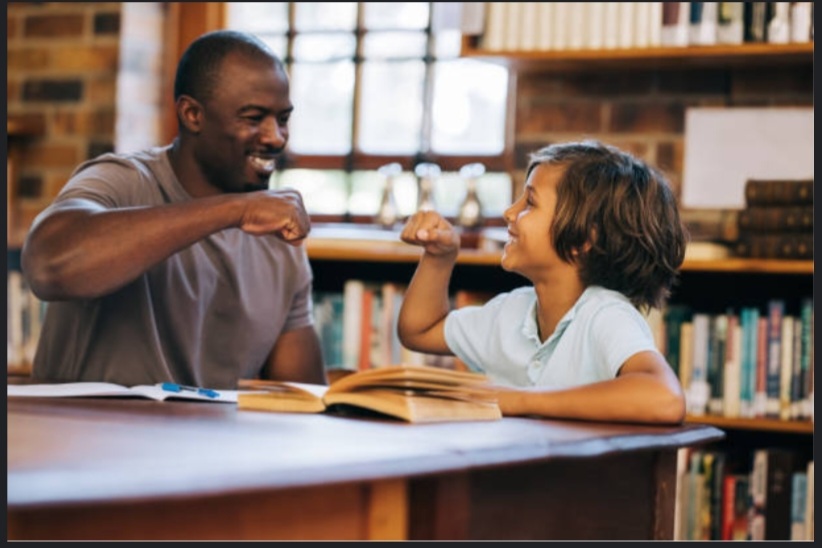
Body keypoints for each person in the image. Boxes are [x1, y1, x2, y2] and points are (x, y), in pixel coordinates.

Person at [22, 30, 327, 389]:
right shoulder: (123, 180)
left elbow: (302, 399)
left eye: (283, 119)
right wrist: (235, 211)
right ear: (192, 114)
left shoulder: (278, 239)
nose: (276, 136)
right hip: (94, 441)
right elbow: (49, 266)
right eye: (253, 117)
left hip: (209, 443)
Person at [398, 140, 688, 424]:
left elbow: (665, 398)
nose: (509, 212)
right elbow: (419, 331)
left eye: (530, 202)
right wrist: (439, 257)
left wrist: (519, 400)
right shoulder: (509, 312)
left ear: (584, 239)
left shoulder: (606, 315)